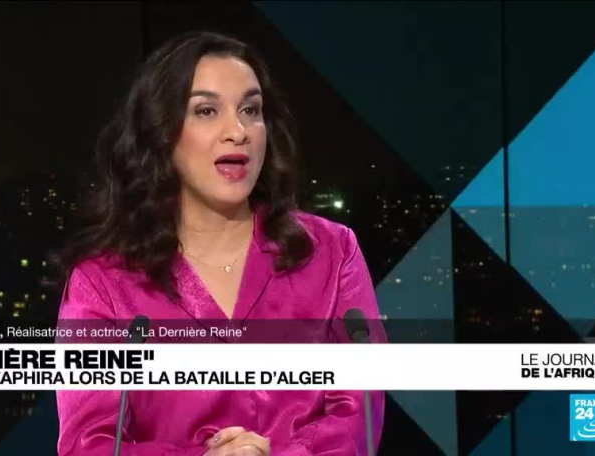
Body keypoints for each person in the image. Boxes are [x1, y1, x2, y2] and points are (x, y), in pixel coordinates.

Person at [55, 30, 386, 456]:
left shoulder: (332, 251)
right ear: (161, 131)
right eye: (207, 111)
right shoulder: (102, 283)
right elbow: (89, 445)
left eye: (251, 110)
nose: (238, 131)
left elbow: (359, 410)